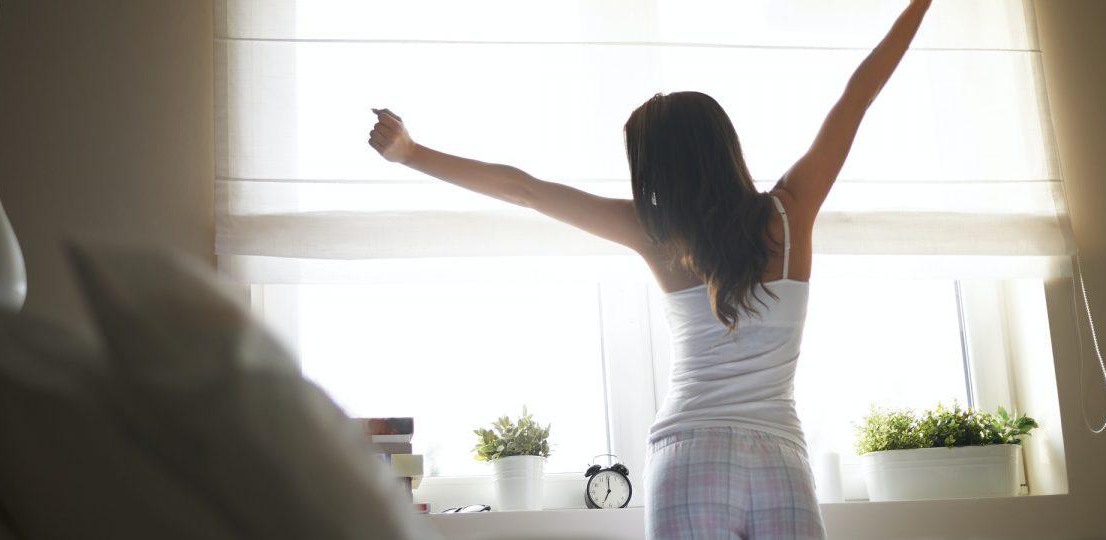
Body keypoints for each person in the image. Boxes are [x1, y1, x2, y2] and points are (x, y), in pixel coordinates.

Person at [368, 1, 932, 537]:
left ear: (655, 169)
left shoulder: (654, 231)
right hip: (778, 458)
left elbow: (525, 190)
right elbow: (856, 96)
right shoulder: (788, 214)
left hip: (690, 457)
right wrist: (919, 7)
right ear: (723, 146)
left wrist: (412, 153)